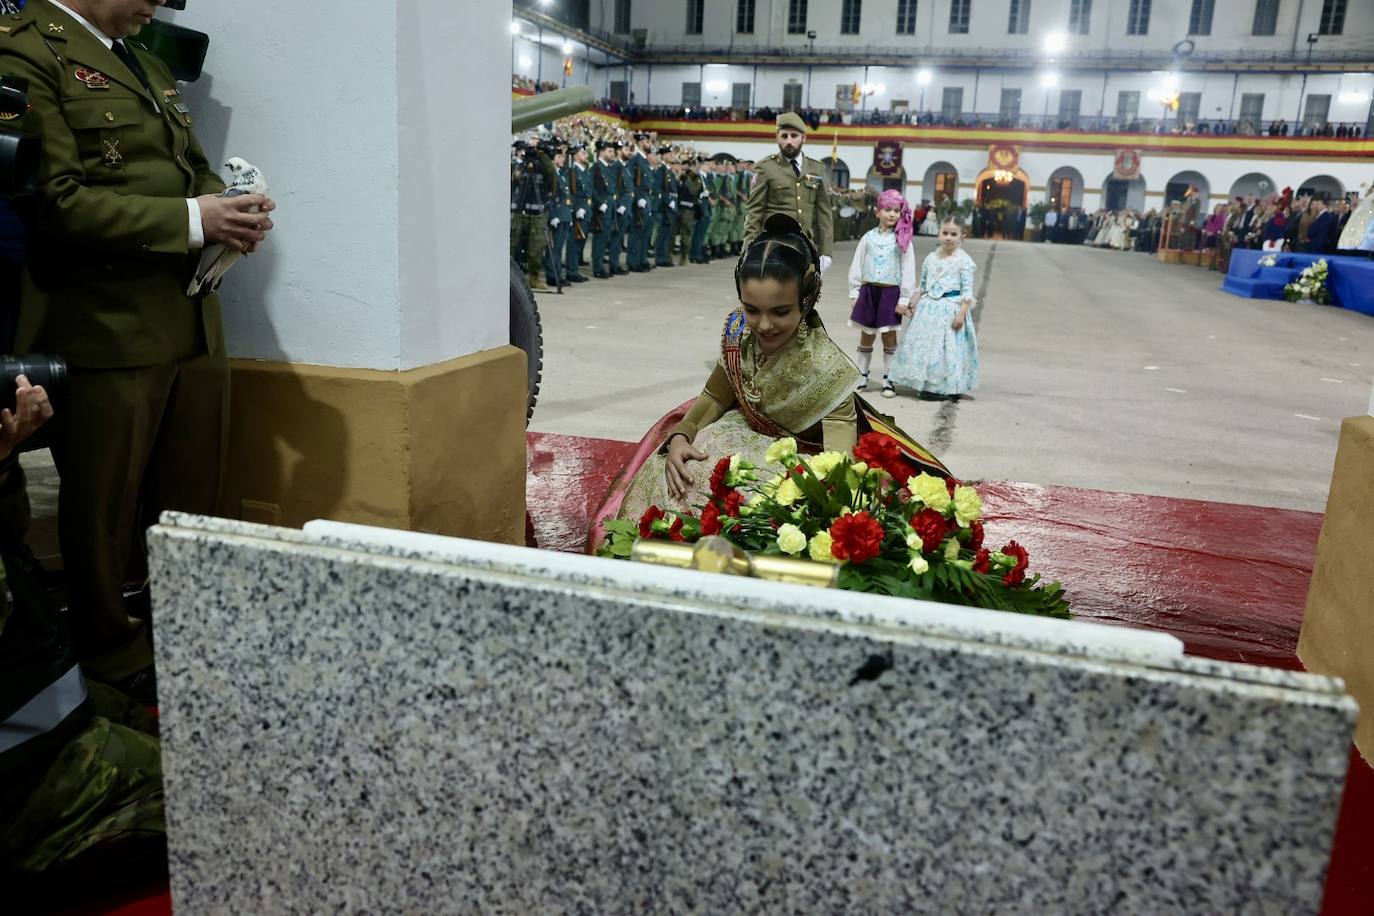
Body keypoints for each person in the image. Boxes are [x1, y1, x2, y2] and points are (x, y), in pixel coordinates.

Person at [2, 0, 275, 702]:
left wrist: (229, 207)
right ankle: (109, 659)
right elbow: (55, 201)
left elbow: (191, 167)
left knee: (188, 503)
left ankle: (179, 639)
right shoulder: (28, 50)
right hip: (105, 324)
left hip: (188, 321)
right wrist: (194, 220)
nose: (159, 2)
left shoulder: (145, 61)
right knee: (106, 508)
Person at [590, 214, 948, 535]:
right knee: (671, 466)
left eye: (780, 311)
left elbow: (838, 470)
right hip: (739, 433)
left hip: (805, 461)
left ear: (807, 301)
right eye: (751, 309)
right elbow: (716, 395)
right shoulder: (738, 331)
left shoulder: (830, 371)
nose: (763, 325)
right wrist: (682, 436)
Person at [0, 375, 167, 910]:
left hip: (24, 703)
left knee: (135, 719)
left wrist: (4, 462)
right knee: (215, 793)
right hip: (17, 771)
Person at [888, 216, 980, 402]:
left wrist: (962, 313)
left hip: (950, 308)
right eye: (945, 233)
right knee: (926, 347)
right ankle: (926, 385)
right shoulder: (931, 258)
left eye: (953, 234)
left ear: (962, 236)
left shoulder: (964, 261)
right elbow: (922, 285)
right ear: (939, 233)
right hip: (929, 308)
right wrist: (911, 303)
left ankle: (948, 386)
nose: (948, 238)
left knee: (946, 349)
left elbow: (967, 291)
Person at [742, 113, 834, 274]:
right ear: (777, 138)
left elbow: (823, 213)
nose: (789, 141)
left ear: (804, 138)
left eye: (794, 136)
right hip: (771, 247)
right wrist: (748, 249)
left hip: (805, 248)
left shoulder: (816, 168)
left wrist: (826, 251)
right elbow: (754, 212)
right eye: (784, 136)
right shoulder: (765, 168)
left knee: (802, 297)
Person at [847, 190, 916, 399]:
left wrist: (905, 298)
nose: (892, 214)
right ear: (877, 212)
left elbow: (908, 269)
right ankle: (861, 375)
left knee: (889, 336)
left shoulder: (903, 240)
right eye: (887, 210)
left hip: (890, 293)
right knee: (866, 334)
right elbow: (857, 265)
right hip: (869, 292)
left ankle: (889, 378)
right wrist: (854, 291)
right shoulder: (867, 238)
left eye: (896, 210)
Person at [564, 143, 592, 283]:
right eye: (583, 153)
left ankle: (575, 269)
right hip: (578, 209)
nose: (586, 155)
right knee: (574, 242)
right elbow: (571, 192)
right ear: (575, 155)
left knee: (580, 242)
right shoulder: (572, 171)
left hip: (586, 208)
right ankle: (571, 271)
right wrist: (576, 208)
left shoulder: (585, 171)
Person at [590, 140, 618, 279]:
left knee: (605, 238)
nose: (612, 154)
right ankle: (597, 268)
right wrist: (599, 203)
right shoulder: (596, 167)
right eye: (609, 151)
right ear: (601, 152)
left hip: (610, 207)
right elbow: (592, 188)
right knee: (599, 240)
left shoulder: (608, 168)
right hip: (602, 209)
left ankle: (601, 265)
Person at [677, 158, 702, 266]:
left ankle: (684, 256)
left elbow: (693, 190)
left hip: (688, 210)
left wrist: (686, 179)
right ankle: (666, 256)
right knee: (672, 234)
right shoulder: (681, 176)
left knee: (685, 234)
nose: (690, 168)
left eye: (692, 165)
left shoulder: (696, 178)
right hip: (678, 207)